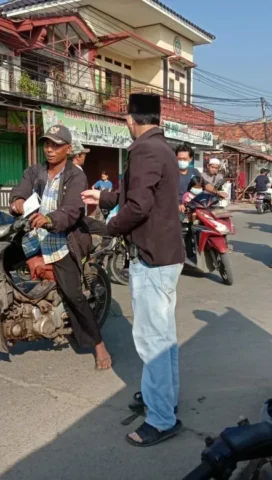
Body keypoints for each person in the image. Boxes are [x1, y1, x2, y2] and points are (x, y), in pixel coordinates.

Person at [81, 93, 185, 447]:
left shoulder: (142, 150)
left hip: (152, 257)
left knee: (153, 341)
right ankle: (164, 400)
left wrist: (109, 228)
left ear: (130, 119)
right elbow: (139, 194)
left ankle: (161, 419)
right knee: (165, 337)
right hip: (167, 254)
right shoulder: (164, 149)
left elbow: (138, 205)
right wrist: (104, 198)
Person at [8, 124, 112, 370]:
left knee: (74, 295)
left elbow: (73, 209)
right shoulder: (35, 171)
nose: (50, 149)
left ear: (67, 149)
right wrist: (17, 200)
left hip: (61, 238)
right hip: (32, 235)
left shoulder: (76, 175)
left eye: (56, 145)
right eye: (47, 144)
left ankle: (98, 344)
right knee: (1, 261)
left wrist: (50, 219)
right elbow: (20, 189)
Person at [176, 144, 217, 211]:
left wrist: (217, 192)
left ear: (190, 159)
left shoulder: (194, 171)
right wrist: (177, 204)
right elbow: (165, 192)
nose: (182, 161)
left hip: (196, 206)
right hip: (178, 209)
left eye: (184, 159)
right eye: (180, 159)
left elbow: (205, 184)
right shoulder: (170, 173)